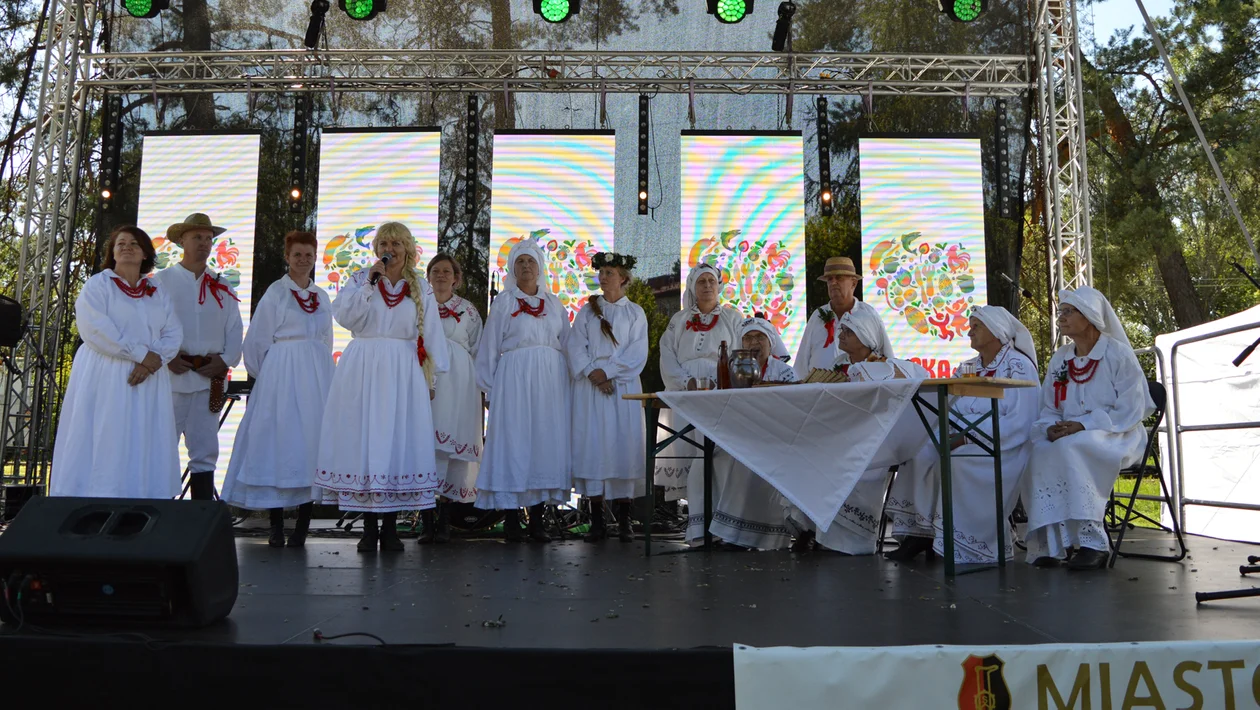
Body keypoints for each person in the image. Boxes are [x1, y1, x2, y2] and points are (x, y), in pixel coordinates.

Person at [314, 222, 450, 552]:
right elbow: (345, 317)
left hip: (402, 368)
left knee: (395, 443)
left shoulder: (421, 287)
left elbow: (431, 332)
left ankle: (390, 527)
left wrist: (432, 377)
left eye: (396, 242)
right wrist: (369, 284)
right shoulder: (362, 279)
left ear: (407, 248)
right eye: (384, 242)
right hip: (363, 366)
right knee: (366, 441)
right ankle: (368, 527)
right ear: (377, 249)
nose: (390, 247)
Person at [885, 305, 1040, 563]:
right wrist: (947, 434)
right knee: (919, 454)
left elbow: (1021, 421)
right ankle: (922, 533)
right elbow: (946, 407)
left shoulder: (1019, 366)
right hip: (963, 438)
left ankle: (960, 540)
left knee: (957, 463)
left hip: (1003, 447)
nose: (970, 331)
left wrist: (967, 437)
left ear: (995, 331)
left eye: (976, 326)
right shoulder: (968, 366)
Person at [1022, 287, 1153, 571]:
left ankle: (1093, 543)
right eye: (1061, 313)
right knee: (1040, 450)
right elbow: (1050, 406)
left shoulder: (1118, 355)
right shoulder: (1061, 358)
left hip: (1119, 433)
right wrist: (1049, 428)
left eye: (1069, 312)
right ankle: (1053, 546)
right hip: (1072, 436)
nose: (1061, 318)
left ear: (1090, 317)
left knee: (1072, 448)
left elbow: (1130, 410)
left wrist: (1084, 424)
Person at [50, 226, 182, 498]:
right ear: (112, 252)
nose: (126, 247)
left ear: (145, 252)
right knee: (106, 431)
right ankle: (95, 498)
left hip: (148, 373)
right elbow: (95, 328)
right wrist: (139, 354)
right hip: (106, 370)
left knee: (142, 435)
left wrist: (152, 361)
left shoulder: (156, 289)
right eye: (120, 243)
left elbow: (173, 330)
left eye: (134, 243)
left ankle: (141, 498)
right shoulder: (99, 284)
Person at [786, 302, 929, 554]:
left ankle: (845, 540)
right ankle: (811, 530)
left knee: (838, 461)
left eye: (848, 333)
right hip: (842, 437)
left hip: (874, 442)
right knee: (802, 454)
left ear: (865, 338)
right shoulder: (840, 366)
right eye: (841, 331)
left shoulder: (884, 368)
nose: (840, 336)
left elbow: (917, 377)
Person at [221, 231, 334, 548]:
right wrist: (270, 374)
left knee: (311, 444)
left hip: (315, 375)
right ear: (287, 257)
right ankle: (275, 525)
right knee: (277, 440)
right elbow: (257, 342)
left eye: (308, 255)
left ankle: (303, 524)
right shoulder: (276, 293)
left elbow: (327, 340)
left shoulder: (321, 296)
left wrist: (320, 370)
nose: (303, 260)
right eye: (297, 254)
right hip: (282, 373)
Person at [475, 240, 571, 542]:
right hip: (514, 378)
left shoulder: (555, 304)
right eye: (520, 262)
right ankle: (513, 517)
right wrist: (489, 389)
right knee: (513, 443)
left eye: (531, 262)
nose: (526, 267)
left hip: (549, 381)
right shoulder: (504, 303)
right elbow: (489, 346)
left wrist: (568, 385)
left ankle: (538, 520)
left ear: (540, 267)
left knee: (543, 443)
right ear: (512, 269)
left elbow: (567, 345)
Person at [685, 316, 796, 550]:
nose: (753, 342)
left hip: (774, 441)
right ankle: (707, 533)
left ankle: (739, 535)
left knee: (741, 462)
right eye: (748, 338)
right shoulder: (731, 371)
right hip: (738, 438)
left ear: (770, 342)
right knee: (701, 463)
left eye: (759, 337)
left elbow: (791, 411)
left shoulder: (785, 373)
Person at [155, 213, 244, 501]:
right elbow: (149, 324)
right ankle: (157, 513)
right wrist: (166, 357)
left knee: (205, 452)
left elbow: (235, 326)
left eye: (208, 238)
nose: (204, 243)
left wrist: (226, 360)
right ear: (182, 241)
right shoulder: (162, 282)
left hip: (207, 379)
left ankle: (200, 517)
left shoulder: (221, 284)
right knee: (160, 447)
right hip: (170, 380)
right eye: (197, 237)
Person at [566, 252, 648, 543]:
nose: (603, 276)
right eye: (601, 271)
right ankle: (597, 520)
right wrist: (593, 373)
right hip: (592, 388)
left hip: (623, 386)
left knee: (624, 444)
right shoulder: (587, 312)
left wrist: (609, 372)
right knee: (594, 446)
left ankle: (625, 520)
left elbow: (638, 351)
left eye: (609, 272)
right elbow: (575, 346)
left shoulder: (635, 312)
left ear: (623, 278)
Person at [655, 263, 743, 500]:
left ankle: (717, 517)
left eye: (711, 281)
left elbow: (741, 354)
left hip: (720, 394)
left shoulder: (733, 318)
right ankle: (694, 520)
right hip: (686, 393)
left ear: (719, 286)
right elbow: (667, 355)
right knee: (688, 448)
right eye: (701, 282)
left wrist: (724, 382)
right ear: (693, 287)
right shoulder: (680, 319)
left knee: (717, 453)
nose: (707, 286)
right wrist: (686, 382)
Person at [420, 253, 484, 544]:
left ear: (456, 279)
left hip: (459, 383)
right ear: (428, 276)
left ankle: (445, 518)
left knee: (452, 448)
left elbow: (478, 349)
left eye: (447, 271)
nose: (441, 276)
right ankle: (426, 520)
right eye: (436, 271)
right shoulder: (418, 305)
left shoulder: (469, 311)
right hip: (426, 379)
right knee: (425, 446)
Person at [794, 256, 861, 380]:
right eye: (830, 279)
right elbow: (802, 360)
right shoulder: (817, 315)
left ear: (853, 283)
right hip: (819, 393)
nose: (833, 283)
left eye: (839, 278)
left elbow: (884, 355)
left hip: (858, 392)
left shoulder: (867, 314)